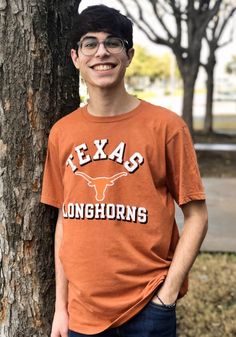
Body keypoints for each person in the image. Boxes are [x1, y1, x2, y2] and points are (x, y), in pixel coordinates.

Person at [41, 5, 208, 337]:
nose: (101, 51)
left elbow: (197, 215)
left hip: (149, 308)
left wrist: (167, 294)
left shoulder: (166, 127)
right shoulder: (63, 132)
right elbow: (65, 219)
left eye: (112, 42)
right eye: (90, 43)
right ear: (75, 57)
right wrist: (61, 309)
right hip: (82, 315)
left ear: (128, 54)